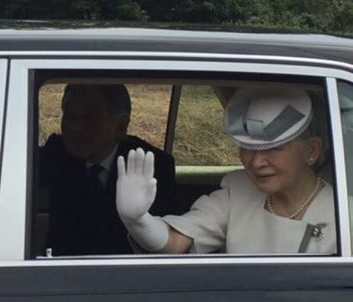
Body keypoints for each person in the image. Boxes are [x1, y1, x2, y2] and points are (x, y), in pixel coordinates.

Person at [116, 84, 336, 255]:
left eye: (274, 148)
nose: (256, 162)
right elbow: (176, 241)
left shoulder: (343, 215)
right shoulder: (238, 191)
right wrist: (139, 221)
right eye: (247, 148)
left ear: (312, 151)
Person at [39, 84, 176, 256]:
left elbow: (164, 242)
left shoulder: (153, 166)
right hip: (57, 270)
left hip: (127, 272)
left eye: (89, 118)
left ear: (121, 126)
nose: (75, 127)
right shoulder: (55, 153)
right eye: (70, 115)